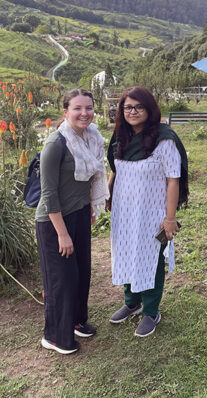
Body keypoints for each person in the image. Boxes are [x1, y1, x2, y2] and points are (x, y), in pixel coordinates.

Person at [107, 86, 189, 337]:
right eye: (128, 107)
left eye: (139, 106)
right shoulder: (120, 136)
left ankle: (151, 311)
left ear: (149, 109)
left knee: (151, 258)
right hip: (124, 211)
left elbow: (173, 179)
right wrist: (109, 193)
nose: (133, 111)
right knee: (125, 251)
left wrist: (170, 218)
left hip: (152, 213)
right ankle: (132, 302)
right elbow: (115, 167)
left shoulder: (164, 139)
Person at [35, 89, 109, 354]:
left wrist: (89, 206)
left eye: (88, 108)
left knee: (81, 273)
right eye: (77, 108)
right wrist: (62, 235)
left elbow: (90, 178)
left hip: (79, 214)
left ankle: (77, 321)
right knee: (61, 279)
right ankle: (54, 336)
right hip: (54, 221)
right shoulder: (56, 144)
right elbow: (48, 194)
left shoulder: (91, 138)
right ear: (65, 111)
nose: (84, 113)